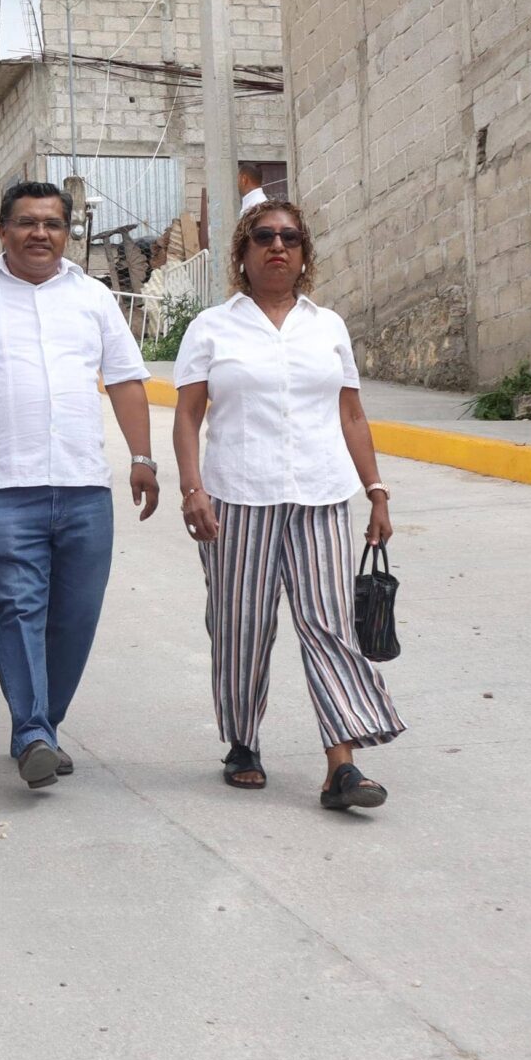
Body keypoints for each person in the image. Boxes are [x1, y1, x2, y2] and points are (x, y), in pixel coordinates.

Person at [0, 180, 158, 790]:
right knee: (14, 609)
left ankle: (42, 727)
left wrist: (143, 457)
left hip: (84, 486)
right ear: (2, 231)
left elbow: (128, 379)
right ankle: (31, 731)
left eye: (53, 224)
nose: (40, 234)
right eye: (27, 223)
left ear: (67, 233)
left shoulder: (94, 298)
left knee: (74, 618)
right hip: (3, 486)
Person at [172, 201, 403, 810]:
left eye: (290, 238)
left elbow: (350, 412)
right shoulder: (213, 327)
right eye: (264, 237)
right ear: (242, 254)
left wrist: (376, 489)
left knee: (328, 625)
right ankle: (243, 740)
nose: (279, 246)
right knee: (242, 628)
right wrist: (192, 488)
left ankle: (342, 765)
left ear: (304, 253)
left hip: (321, 497)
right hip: (237, 499)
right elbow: (189, 416)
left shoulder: (326, 325)